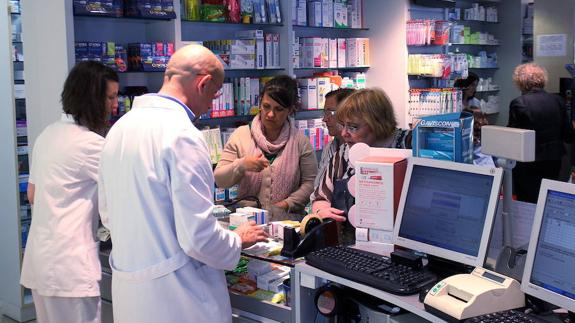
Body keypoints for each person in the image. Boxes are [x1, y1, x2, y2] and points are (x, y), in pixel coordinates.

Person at [98, 45, 268, 323]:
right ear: (202, 84)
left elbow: (108, 213)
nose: (211, 105)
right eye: (214, 96)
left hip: (131, 289)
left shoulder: (120, 128)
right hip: (178, 298)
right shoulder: (183, 135)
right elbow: (197, 237)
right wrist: (238, 239)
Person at [20, 61, 119, 323]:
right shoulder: (91, 145)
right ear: (91, 98)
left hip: (41, 261)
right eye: (110, 97)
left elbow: (33, 194)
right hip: (70, 268)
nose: (115, 104)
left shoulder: (48, 135)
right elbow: (124, 195)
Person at [311, 88, 411, 244]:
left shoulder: (408, 144)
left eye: (352, 127)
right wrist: (322, 210)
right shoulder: (344, 153)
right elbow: (320, 198)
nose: (344, 133)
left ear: (377, 123)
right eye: (342, 125)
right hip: (352, 246)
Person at [214, 75, 318, 221]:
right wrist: (241, 165)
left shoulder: (300, 142)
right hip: (247, 221)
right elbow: (220, 179)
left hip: (285, 222)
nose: (270, 114)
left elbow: (310, 183)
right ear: (260, 103)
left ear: (290, 110)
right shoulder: (242, 135)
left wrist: (286, 204)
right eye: (266, 106)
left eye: (279, 109)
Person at [508, 62, 574, 203]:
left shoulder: (519, 103)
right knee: (547, 197)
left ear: (520, 81)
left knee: (528, 200)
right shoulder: (558, 100)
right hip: (554, 160)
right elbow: (568, 134)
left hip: (528, 162)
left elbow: (513, 137)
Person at [315, 88, 356, 187]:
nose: (325, 119)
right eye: (325, 112)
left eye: (330, 112)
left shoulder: (359, 150)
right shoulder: (330, 147)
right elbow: (318, 186)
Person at [454, 73, 493, 166]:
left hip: (474, 140)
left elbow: (480, 123)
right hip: (459, 138)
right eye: (472, 85)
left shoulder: (476, 102)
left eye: (475, 85)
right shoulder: (454, 102)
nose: (474, 88)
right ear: (463, 85)